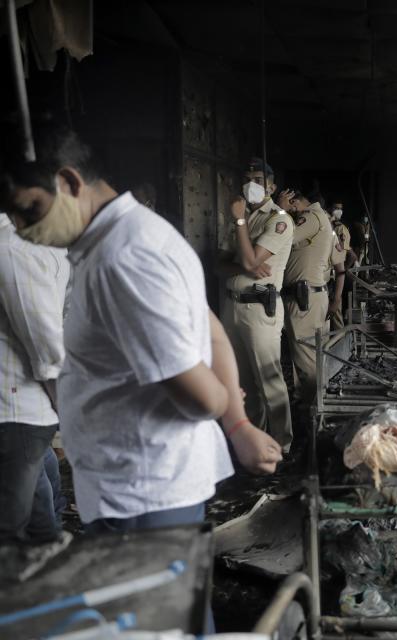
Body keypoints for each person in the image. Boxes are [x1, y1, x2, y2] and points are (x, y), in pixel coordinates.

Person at [0, 124, 282, 536]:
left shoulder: (123, 259)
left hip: (140, 495)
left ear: (68, 182)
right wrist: (237, 423)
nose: (22, 227)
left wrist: (220, 398)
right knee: (173, 599)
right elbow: (212, 329)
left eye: (29, 209)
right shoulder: (133, 235)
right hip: (143, 484)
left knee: (153, 599)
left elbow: (201, 399)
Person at [0, 211, 68, 543]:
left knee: (40, 503)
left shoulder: (16, 246)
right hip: (16, 409)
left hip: (21, 408)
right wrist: (65, 409)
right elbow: (46, 348)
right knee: (21, 526)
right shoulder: (12, 249)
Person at [217, 159, 294, 452]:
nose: (252, 184)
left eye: (259, 179)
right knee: (244, 382)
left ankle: (281, 444)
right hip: (232, 306)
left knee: (269, 381)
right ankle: (254, 442)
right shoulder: (242, 218)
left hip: (260, 309)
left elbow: (250, 261)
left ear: (272, 186)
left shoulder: (279, 219)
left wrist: (243, 256)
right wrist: (244, 266)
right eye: (247, 178)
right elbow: (218, 266)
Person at [281, 191, 345, 400]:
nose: (291, 211)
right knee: (314, 355)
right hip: (312, 295)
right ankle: (313, 406)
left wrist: (280, 211)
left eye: (292, 206)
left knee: (307, 358)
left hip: (304, 298)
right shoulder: (320, 218)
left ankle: (313, 412)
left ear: (296, 202)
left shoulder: (310, 217)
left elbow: (281, 237)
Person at [327, 200, 355, 330]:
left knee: (335, 313)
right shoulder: (329, 225)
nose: (339, 210)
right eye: (336, 207)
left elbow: (349, 255)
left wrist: (342, 272)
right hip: (329, 274)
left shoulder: (339, 228)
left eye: (341, 208)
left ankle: (339, 343)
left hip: (335, 275)